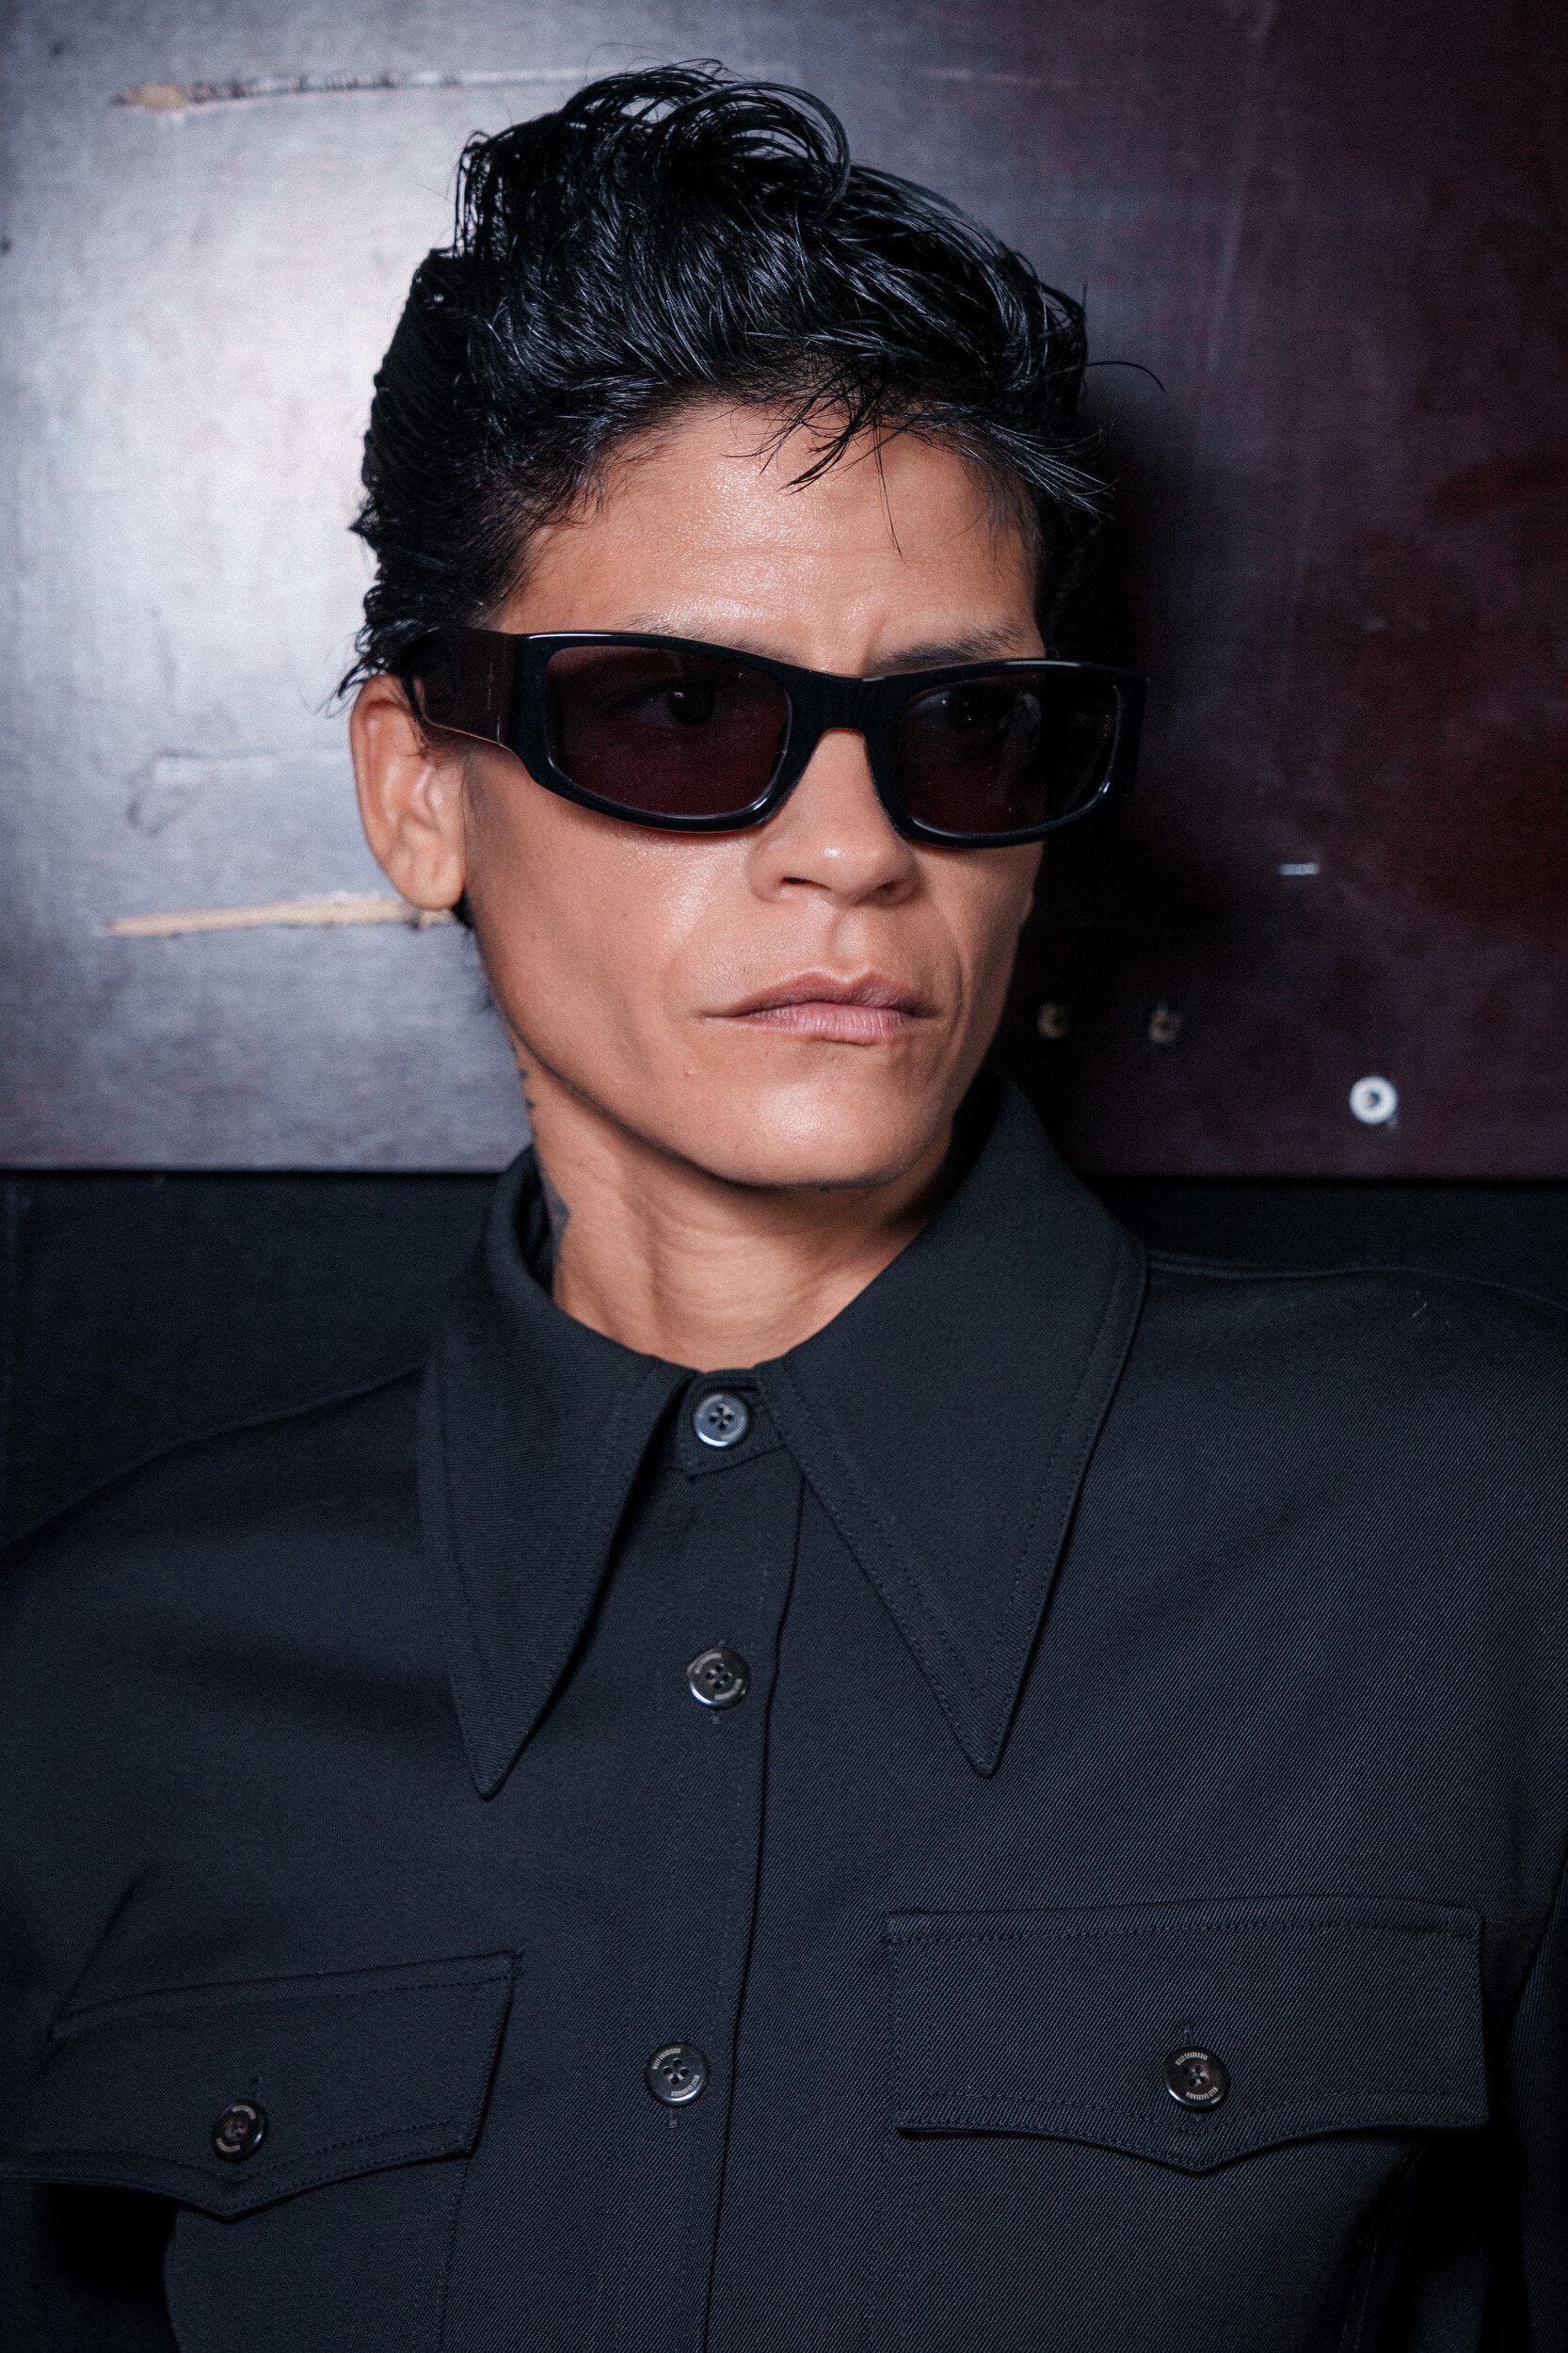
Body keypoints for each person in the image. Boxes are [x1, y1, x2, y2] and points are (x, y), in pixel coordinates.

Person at [1, 65, 1563, 2353]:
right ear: (418, 794)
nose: (851, 849)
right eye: (674, 713)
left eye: (961, 731)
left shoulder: (1486, 1537)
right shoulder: (93, 1678)